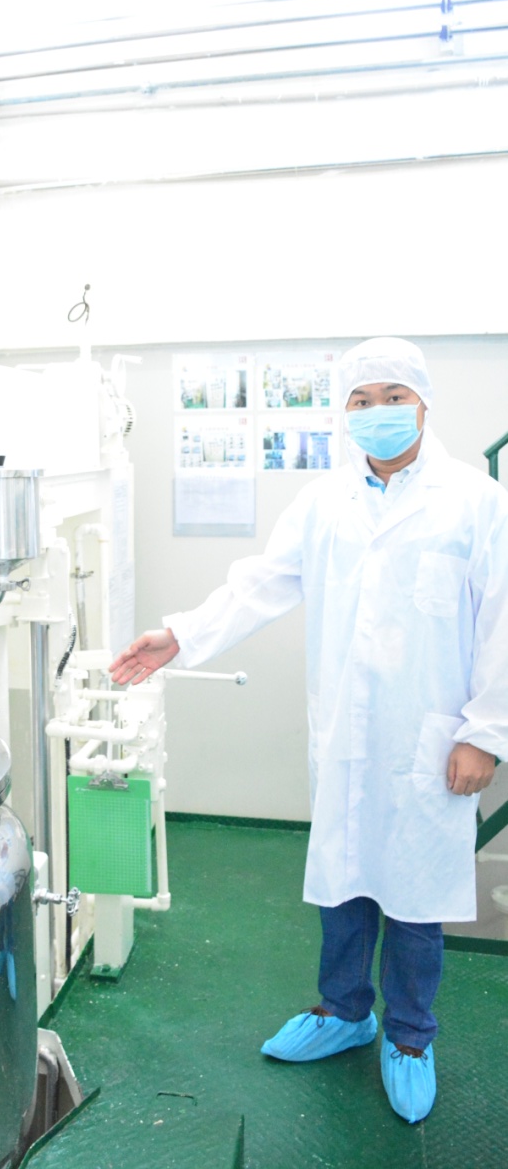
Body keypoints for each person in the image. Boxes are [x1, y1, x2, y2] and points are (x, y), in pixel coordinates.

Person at [109, 337, 508, 1124]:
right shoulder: (325, 500)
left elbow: (502, 621)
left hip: (431, 737)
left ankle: (411, 1037)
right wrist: (180, 635)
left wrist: (485, 733)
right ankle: (345, 1012)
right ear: (344, 412)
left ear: (423, 403)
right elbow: (260, 582)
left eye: (392, 396)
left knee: (415, 896)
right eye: (360, 400)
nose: (376, 412)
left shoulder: (476, 500)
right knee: (344, 879)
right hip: (349, 734)